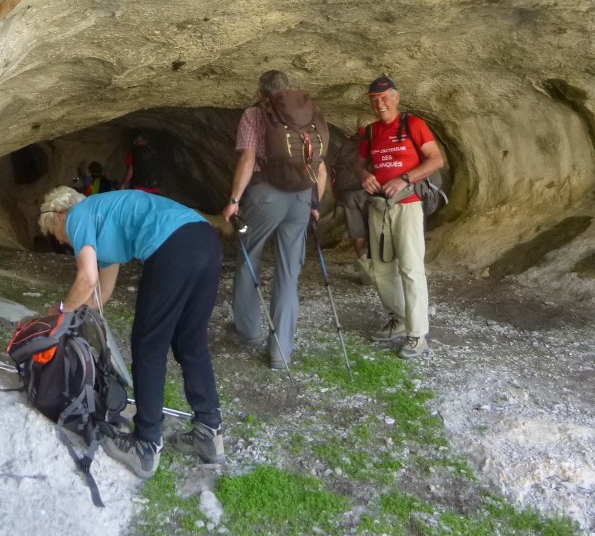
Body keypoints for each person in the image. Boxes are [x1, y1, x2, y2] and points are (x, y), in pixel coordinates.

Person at [38, 186, 224, 479]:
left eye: (55, 233)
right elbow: (102, 292)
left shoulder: (79, 215)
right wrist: (73, 316)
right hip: (206, 240)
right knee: (191, 342)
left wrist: (58, 313)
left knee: (148, 346)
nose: (61, 241)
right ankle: (208, 432)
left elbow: (86, 279)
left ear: (59, 216)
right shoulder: (104, 220)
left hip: (173, 244)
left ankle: (146, 445)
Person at [222, 70, 328, 370]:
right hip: (302, 196)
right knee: (289, 272)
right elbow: (319, 166)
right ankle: (281, 351)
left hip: (266, 194)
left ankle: (248, 330)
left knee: (249, 255)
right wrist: (315, 202)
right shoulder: (308, 115)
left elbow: (248, 159)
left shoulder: (255, 114)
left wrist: (233, 201)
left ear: (260, 92)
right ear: (287, 91)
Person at [355, 76, 445, 359]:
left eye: (384, 98)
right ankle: (399, 318)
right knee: (381, 268)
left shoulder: (413, 124)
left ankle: (418, 334)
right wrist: (365, 175)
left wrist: (405, 178)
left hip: (408, 205)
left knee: (410, 267)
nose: (379, 104)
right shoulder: (370, 133)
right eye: (374, 100)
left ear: (396, 97)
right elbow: (358, 163)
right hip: (379, 207)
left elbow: (436, 159)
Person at [331, 124, 373, 282]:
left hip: (348, 194)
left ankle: (364, 266)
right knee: (373, 229)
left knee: (357, 231)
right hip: (366, 190)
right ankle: (374, 267)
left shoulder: (346, 144)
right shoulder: (370, 142)